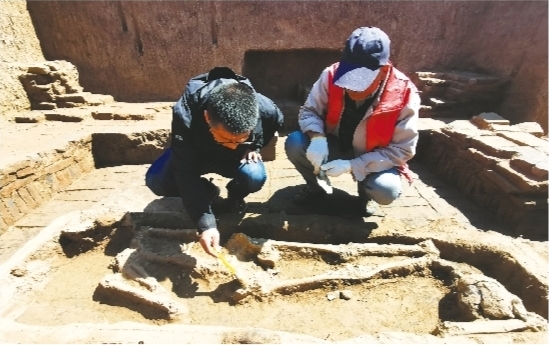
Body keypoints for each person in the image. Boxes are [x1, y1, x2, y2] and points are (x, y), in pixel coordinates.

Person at [146, 66, 284, 257]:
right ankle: (207, 192)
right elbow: (185, 170)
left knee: (254, 175)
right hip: (196, 154)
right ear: (207, 117)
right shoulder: (185, 114)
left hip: (235, 160)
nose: (232, 145)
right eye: (225, 138)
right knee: (157, 180)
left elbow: (276, 121)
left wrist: (253, 146)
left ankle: (235, 196)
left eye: (240, 139)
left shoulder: (266, 109)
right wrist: (206, 223)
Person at [284, 26, 420, 217]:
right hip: (335, 143)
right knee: (296, 143)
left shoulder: (404, 93)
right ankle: (317, 189)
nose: (352, 90)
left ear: (384, 70)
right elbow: (310, 111)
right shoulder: (331, 74)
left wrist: (353, 165)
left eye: (360, 82)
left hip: (373, 155)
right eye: (348, 80)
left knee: (385, 189)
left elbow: (402, 150)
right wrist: (317, 138)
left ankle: (365, 197)